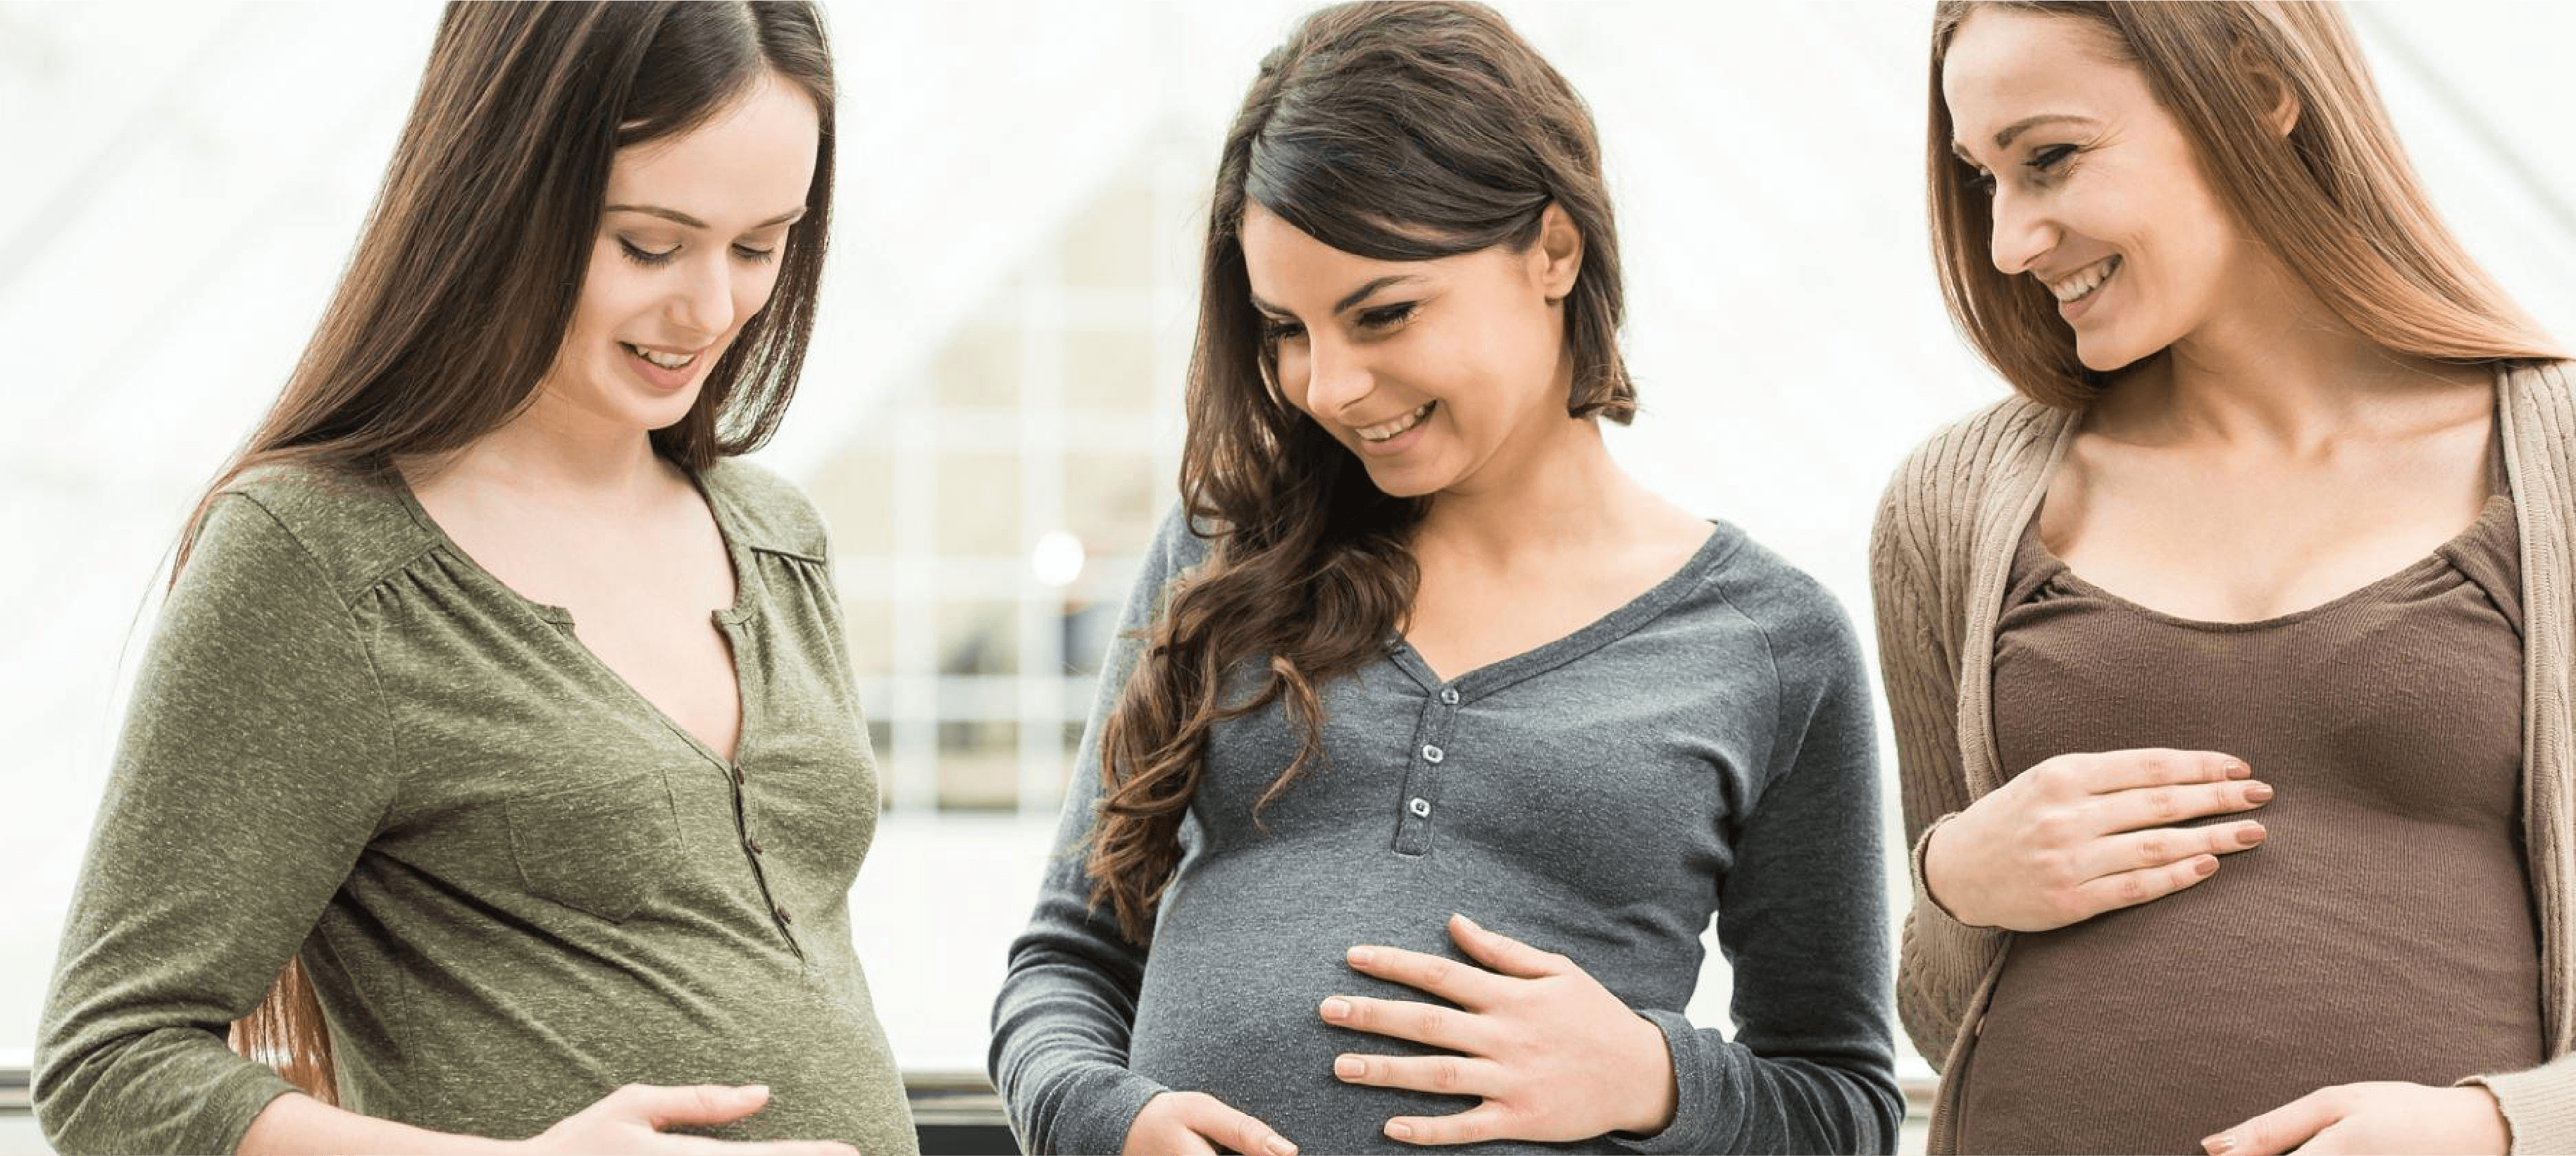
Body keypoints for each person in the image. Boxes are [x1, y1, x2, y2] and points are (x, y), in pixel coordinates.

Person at [1874, 1, 2576, 1153]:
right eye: (1985, 182)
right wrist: (1958, 885)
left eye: (2051, 159)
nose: (2012, 240)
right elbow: (1941, 1014)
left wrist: (2497, 1129)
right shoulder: (1953, 507)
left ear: (2261, 90)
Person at [989, 2, 1901, 1153]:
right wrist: (1105, 1121)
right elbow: (1067, 961)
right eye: (1288, 329)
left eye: (1384, 314)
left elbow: (1848, 1107)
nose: (1328, 385)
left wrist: (1653, 1077)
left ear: (1554, 252)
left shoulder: (1773, 643)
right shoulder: (1224, 552)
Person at [34, 3, 911, 1153]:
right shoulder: (317, 561)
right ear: (504, 194)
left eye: (760, 246)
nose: (711, 310)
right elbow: (111, 1068)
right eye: (650, 244)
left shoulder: (775, 532)